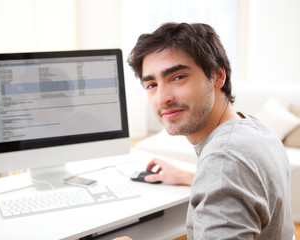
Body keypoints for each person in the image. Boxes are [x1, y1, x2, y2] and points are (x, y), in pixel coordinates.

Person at [114, 23, 294, 239]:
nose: (162, 98)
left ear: (218, 75)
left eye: (178, 77)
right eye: (152, 84)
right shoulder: (257, 129)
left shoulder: (224, 164)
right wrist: (196, 177)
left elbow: (226, 171)